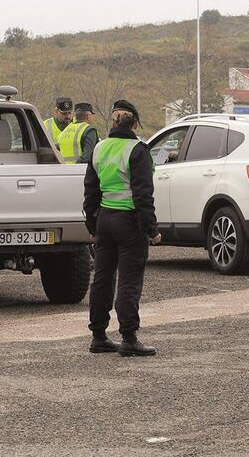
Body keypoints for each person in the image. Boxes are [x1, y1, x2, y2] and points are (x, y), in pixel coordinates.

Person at [84, 99, 160, 356]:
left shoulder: (100, 148)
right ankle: (128, 336)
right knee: (129, 280)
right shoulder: (138, 150)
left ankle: (98, 336)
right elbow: (143, 194)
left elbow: (90, 190)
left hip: (104, 220)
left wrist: (92, 223)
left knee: (102, 278)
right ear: (135, 123)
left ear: (112, 122)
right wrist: (151, 228)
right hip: (129, 223)